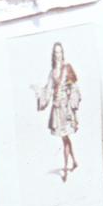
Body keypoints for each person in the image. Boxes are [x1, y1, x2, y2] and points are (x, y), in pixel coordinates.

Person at [35, 41, 80, 182]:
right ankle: (74, 162)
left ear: (63, 53)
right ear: (53, 55)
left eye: (59, 52)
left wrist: (72, 104)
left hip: (66, 110)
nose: (58, 55)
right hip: (57, 110)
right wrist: (40, 95)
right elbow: (48, 90)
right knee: (65, 138)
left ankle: (66, 168)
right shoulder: (52, 72)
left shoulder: (67, 68)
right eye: (55, 53)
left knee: (65, 139)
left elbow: (74, 88)